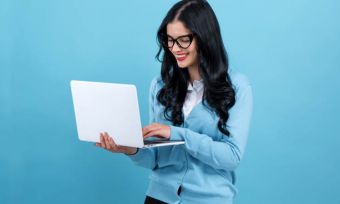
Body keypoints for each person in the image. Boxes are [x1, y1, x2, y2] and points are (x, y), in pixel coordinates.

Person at [96, 0, 253, 203]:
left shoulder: (238, 86)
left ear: (205, 38)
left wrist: (176, 133)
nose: (175, 48)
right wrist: (130, 149)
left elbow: (231, 157)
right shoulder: (160, 85)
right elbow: (156, 159)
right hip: (158, 197)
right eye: (169, 40)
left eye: (183, 40)